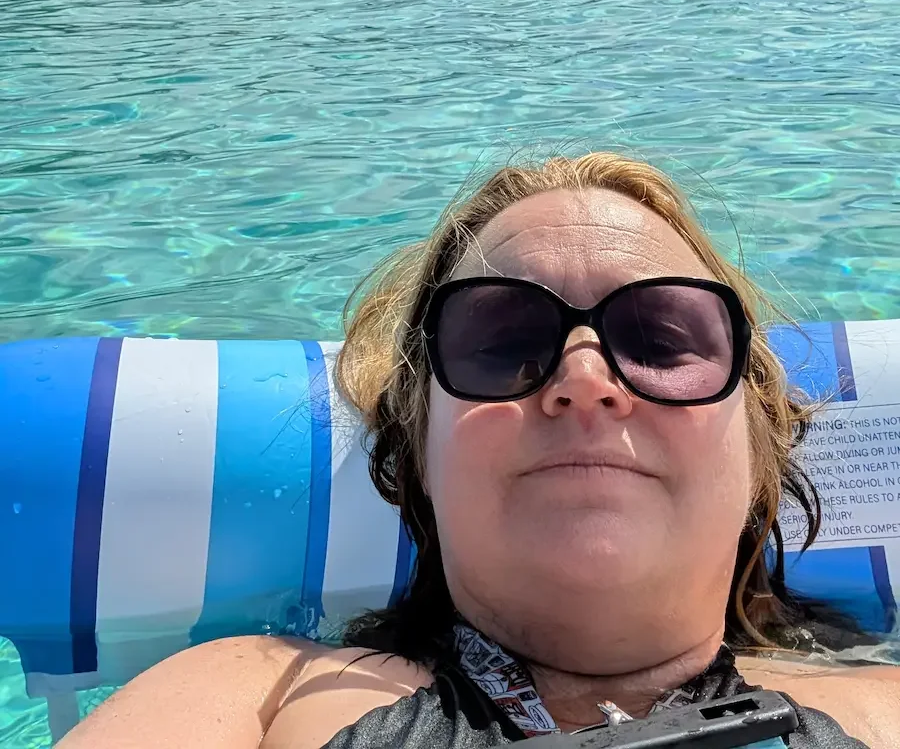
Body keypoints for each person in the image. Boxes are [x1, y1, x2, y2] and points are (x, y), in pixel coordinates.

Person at [63, 152, 899, 749]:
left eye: (661, 340)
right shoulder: (253, 694)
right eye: (500, 343)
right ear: (415, 449)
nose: (586, 379)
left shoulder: (883, 707)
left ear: (760, 444)